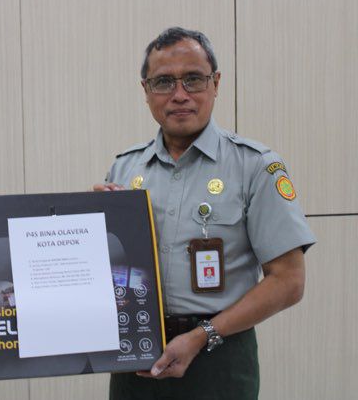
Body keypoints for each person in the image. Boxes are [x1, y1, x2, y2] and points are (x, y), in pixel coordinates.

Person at [94, 27, 316, 399]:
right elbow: (107, 275)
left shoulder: (255, 166)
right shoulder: (124, 170)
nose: (179, 94)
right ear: (146, 91)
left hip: (219, 358)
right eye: (163, 82)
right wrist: (91, 229)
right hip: (136, 356)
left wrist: (202, 336)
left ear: (216, 83)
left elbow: (289, 281)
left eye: (193, 79)